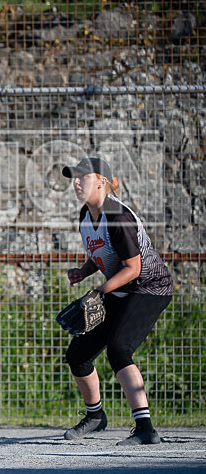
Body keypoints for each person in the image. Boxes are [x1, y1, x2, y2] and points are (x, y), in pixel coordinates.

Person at [61, 157, 173, 445]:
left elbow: (133, 268)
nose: (76, 182)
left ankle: (145, 428)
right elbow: (104, 253)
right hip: (121, 288)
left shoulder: (116, 215)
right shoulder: (86, 216)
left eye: (82, 176)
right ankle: (96, 417)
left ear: (101, 182)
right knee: (78, 355)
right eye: (73, 177)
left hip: (149, 287)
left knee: (119, 349)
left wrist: (100, 291)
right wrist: (84, 271)